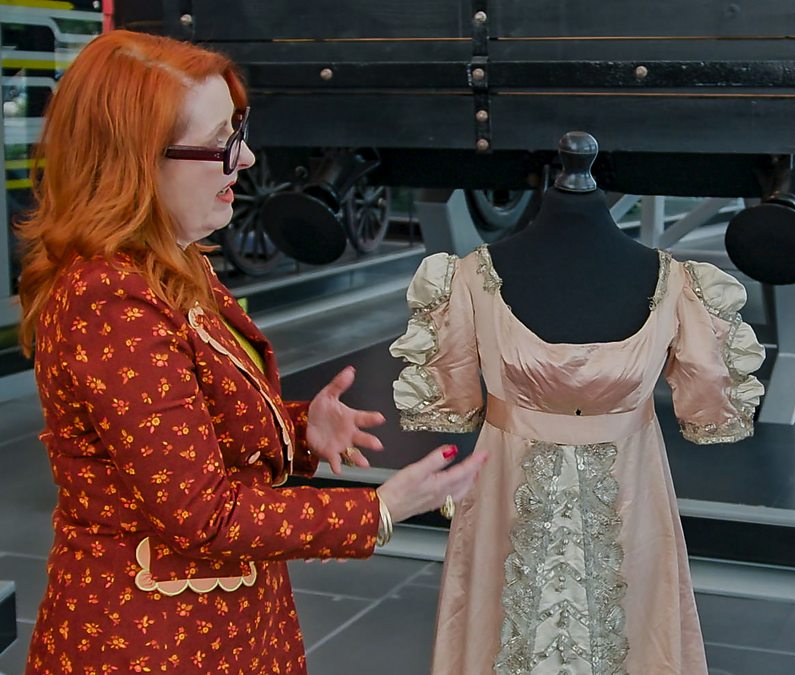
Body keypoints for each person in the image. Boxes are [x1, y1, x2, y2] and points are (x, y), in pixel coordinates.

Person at [15, 30, 486, 674]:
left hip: (211, 624)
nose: (246, 156)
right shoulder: (110, 300)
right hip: (153, 644)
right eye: (221, 142)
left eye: (238, 131)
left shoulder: (173, 264)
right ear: (136, 160)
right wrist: (380, 508)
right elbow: (202, 514)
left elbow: (191, 427)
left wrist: (298, 427)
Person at [389, 148, 765, 673]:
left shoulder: (680, 285)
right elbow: (448, 397)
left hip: (630, 502)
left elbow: (710, 407)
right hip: (507, 499)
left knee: (632, 632)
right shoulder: (468, 280)